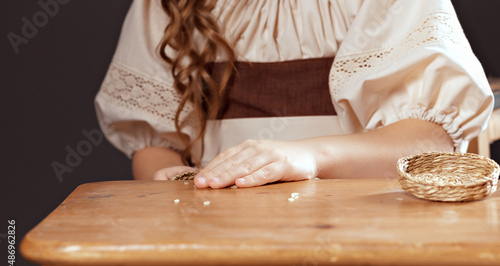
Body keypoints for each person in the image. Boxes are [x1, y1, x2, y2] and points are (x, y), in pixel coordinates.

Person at [95, 0, 494, 189]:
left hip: (365, 244)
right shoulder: (170, 7)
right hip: (221, 244)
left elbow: (432, 139)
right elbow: (156, 144)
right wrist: (174, 177)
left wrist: (308, 156)